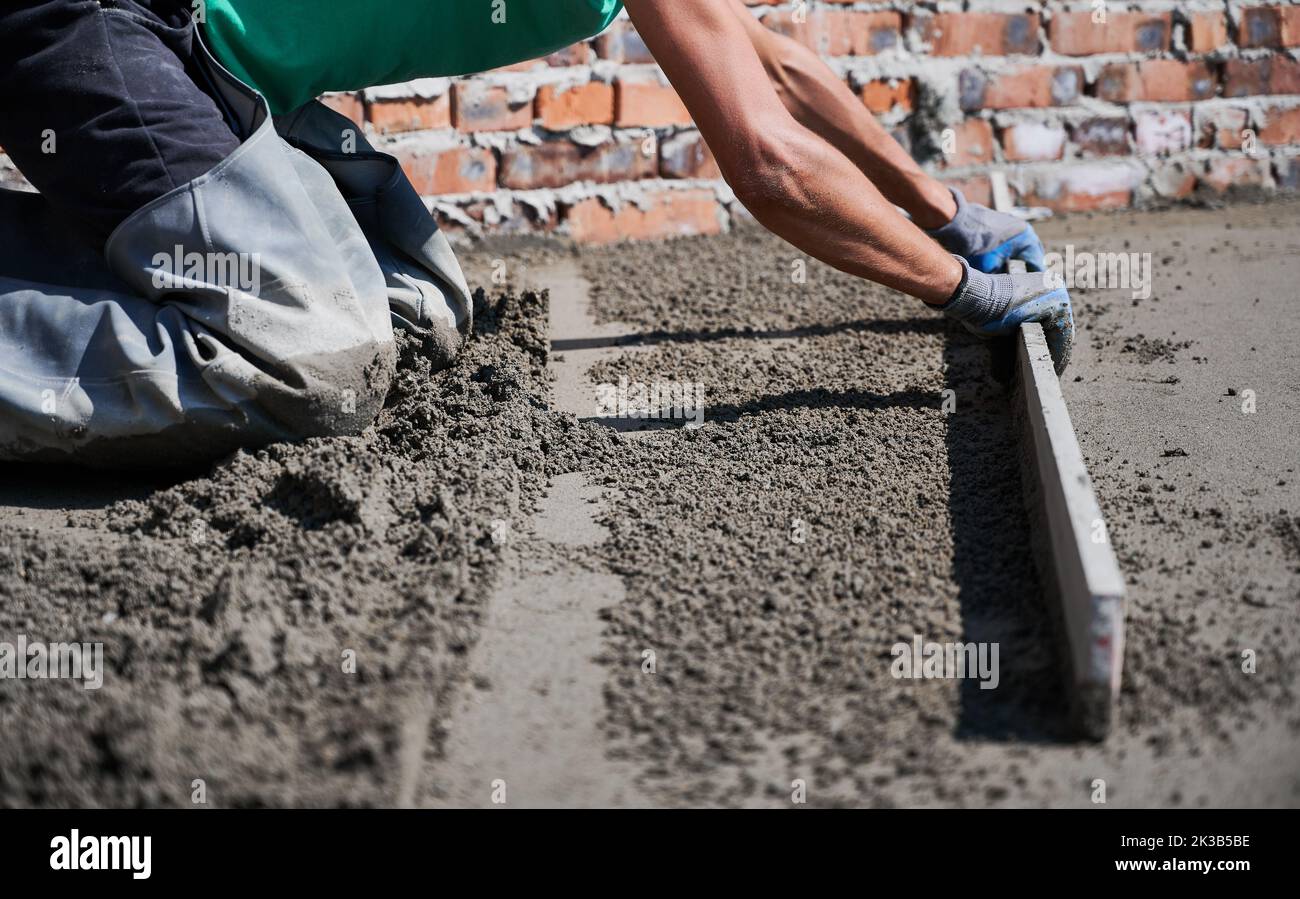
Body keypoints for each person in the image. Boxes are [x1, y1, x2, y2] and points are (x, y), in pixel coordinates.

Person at [0, 0, 1072, 467]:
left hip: (199, 69)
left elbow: (776, 63)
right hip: (103, 23)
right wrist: (959, 290)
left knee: (419, 310)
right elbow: (769, 162)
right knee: (308, 355)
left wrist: (949, 213)